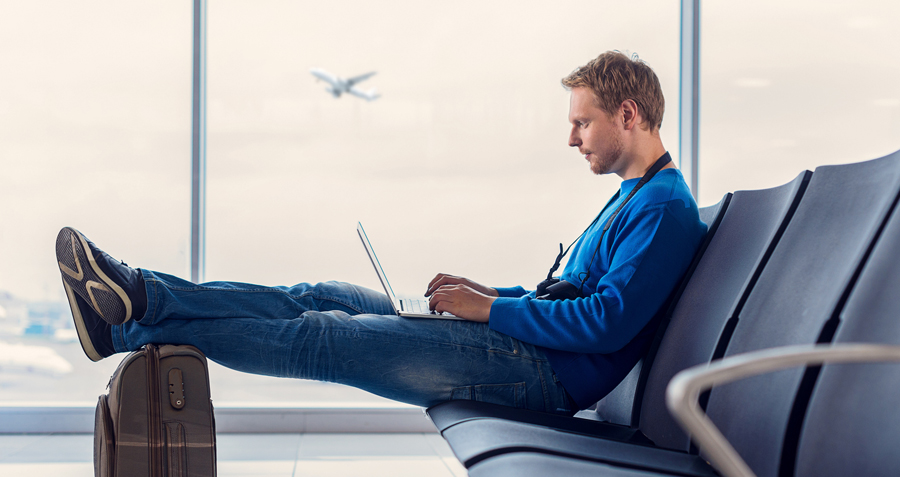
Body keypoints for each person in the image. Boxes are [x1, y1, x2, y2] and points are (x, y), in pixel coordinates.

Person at [56, 51, 706, 416]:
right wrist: (488, 294)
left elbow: (607, 324)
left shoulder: (664, 209)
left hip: (541, 375)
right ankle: (135, 298)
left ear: (628, 114)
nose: (571, 138)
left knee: (323, 335)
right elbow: (572, 294)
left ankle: (128, 317)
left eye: (583, 123)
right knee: (319, 293)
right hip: (523, 346)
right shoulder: (634, 197)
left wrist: (492, 310)